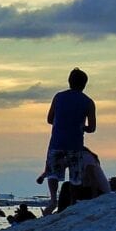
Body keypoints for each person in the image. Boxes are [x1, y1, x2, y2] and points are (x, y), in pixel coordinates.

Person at [42, 68, 97, 215]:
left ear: (69, 82)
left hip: (57, 142)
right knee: (75, 176)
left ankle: (53, 200)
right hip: (75, 144)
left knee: (53, 173)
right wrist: (81, 127)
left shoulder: (58, 97)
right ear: (84, 84)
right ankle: (73, 202)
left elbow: (49, 119)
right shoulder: (88, 102)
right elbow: (92, 128)